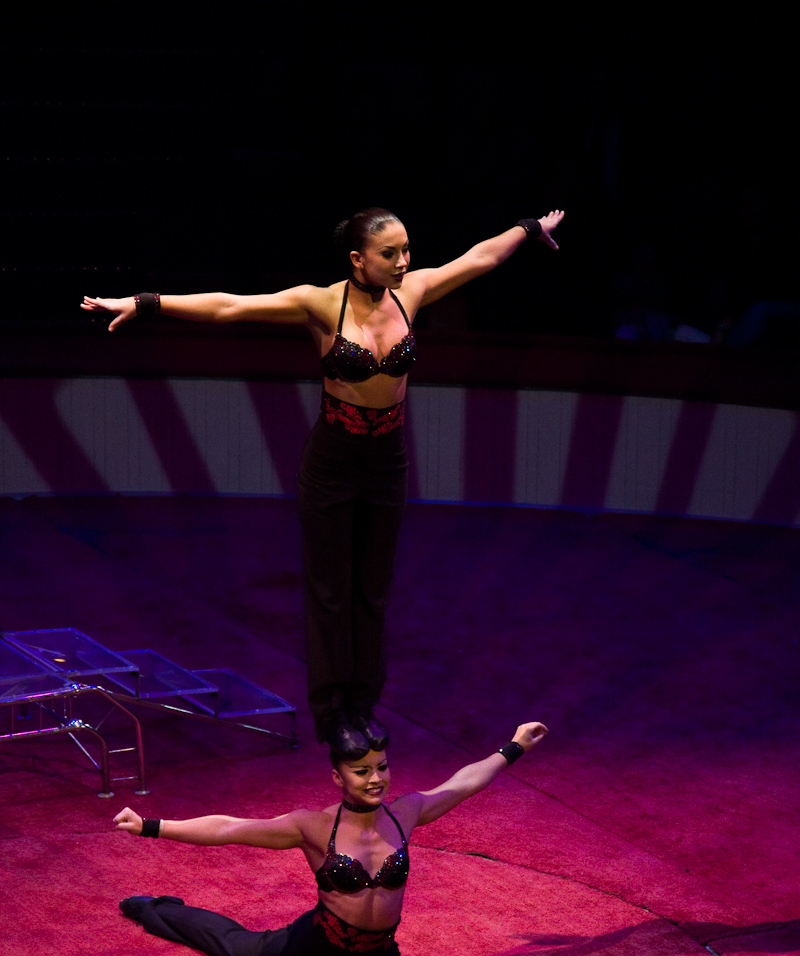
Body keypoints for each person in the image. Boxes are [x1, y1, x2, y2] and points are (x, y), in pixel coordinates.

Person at [82, 210, 564, 753]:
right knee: (332, 593)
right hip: (333, 461)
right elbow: (229, 306)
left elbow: (480, 257)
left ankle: (363, 705)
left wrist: (529, 228)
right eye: (390, 253)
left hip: (387, 460)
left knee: (372, 592)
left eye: (407, 250)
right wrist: (144, 303)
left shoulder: (413, 292)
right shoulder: (319, 303)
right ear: (358, 259)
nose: (404, 262)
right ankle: (332, 714)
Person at [114, 718, 548, 956]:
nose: (375, 778)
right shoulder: (313, 827)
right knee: (232, 945)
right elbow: (229, 828)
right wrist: (151, 826)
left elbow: (464, 783)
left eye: (381, 767)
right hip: (309, 948)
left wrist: (515, 747)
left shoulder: (406, 812)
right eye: (361, 771)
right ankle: (156, 909)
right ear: (339, 778)